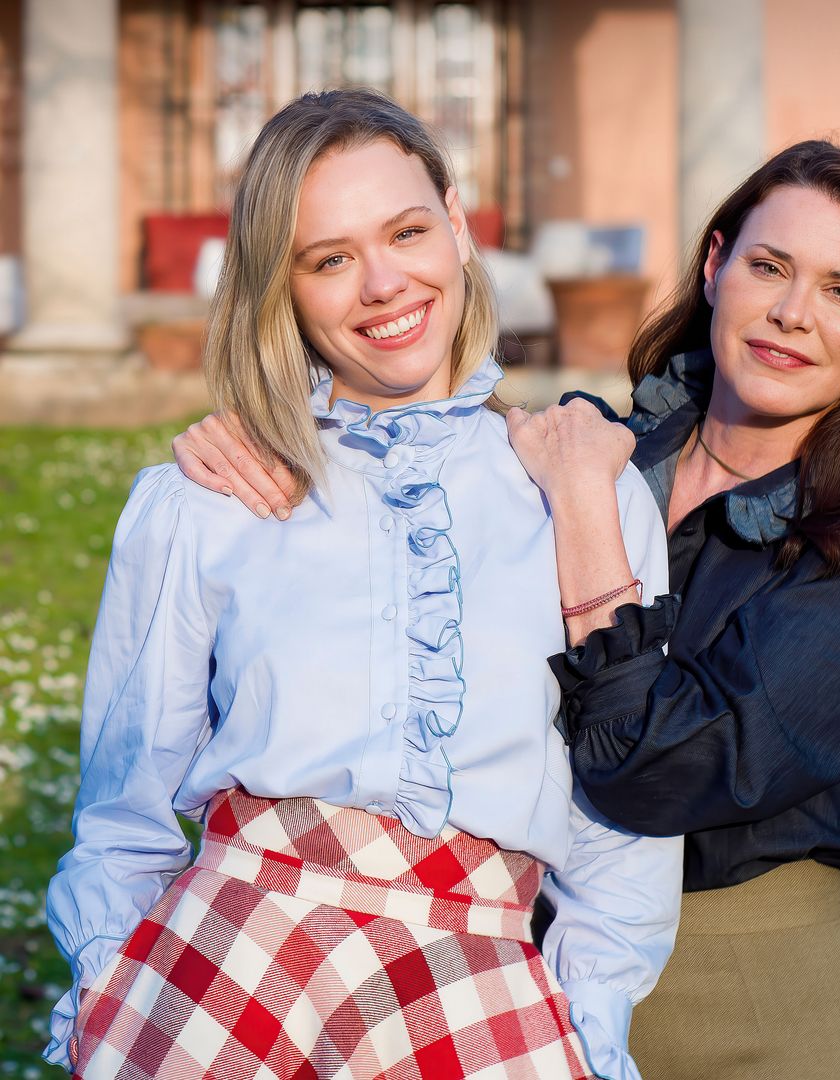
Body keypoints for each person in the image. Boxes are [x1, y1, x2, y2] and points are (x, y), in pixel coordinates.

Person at [177, 140, 840, 1079]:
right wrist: (248, 440)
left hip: (766, 1001)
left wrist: (584, 512)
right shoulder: (588, 456)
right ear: (715, 266)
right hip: (512, 987)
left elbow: (660, 772)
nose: (792, 313)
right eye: (770, 267)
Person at [45, 89, 682, 1080]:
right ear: (282, 287)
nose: (382, 283)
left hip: (482, 976)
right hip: (226, 968)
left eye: (407, 231)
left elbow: (622, 814)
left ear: (458, 224)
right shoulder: (205, 499)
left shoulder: (578, 491)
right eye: (329, 259)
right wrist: (107, 988)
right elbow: (122, 809)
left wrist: (591, 1017)